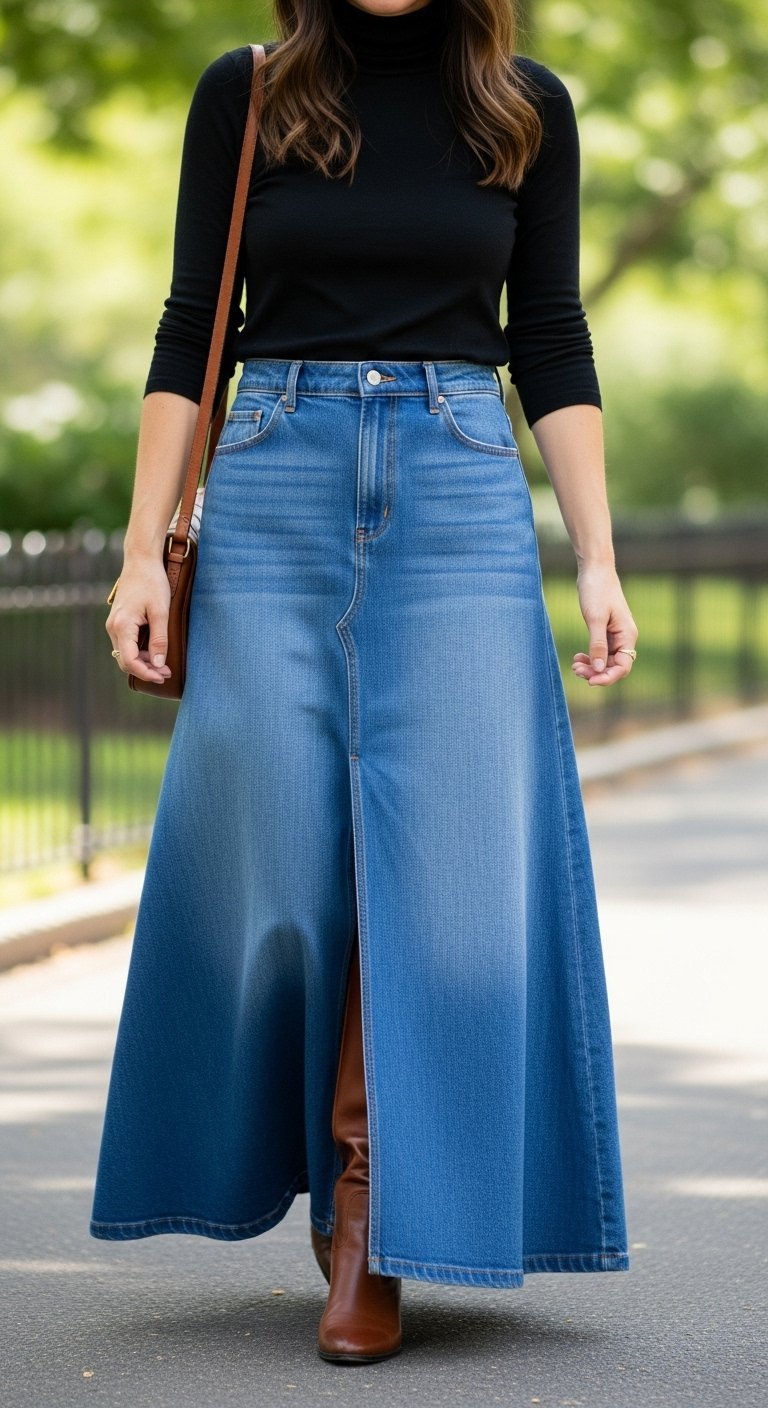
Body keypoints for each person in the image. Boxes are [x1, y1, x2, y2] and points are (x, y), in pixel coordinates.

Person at [93, 0, 638, 1366]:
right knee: (274, 853)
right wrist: (141, 555)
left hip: (457, 485)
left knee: (446, 866)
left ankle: (370, 1204)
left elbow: (553, 334)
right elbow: (188, 329)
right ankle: (296, 1160)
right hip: (273, 474)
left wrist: (598, 560)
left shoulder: (525, 105)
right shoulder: (252, 90)